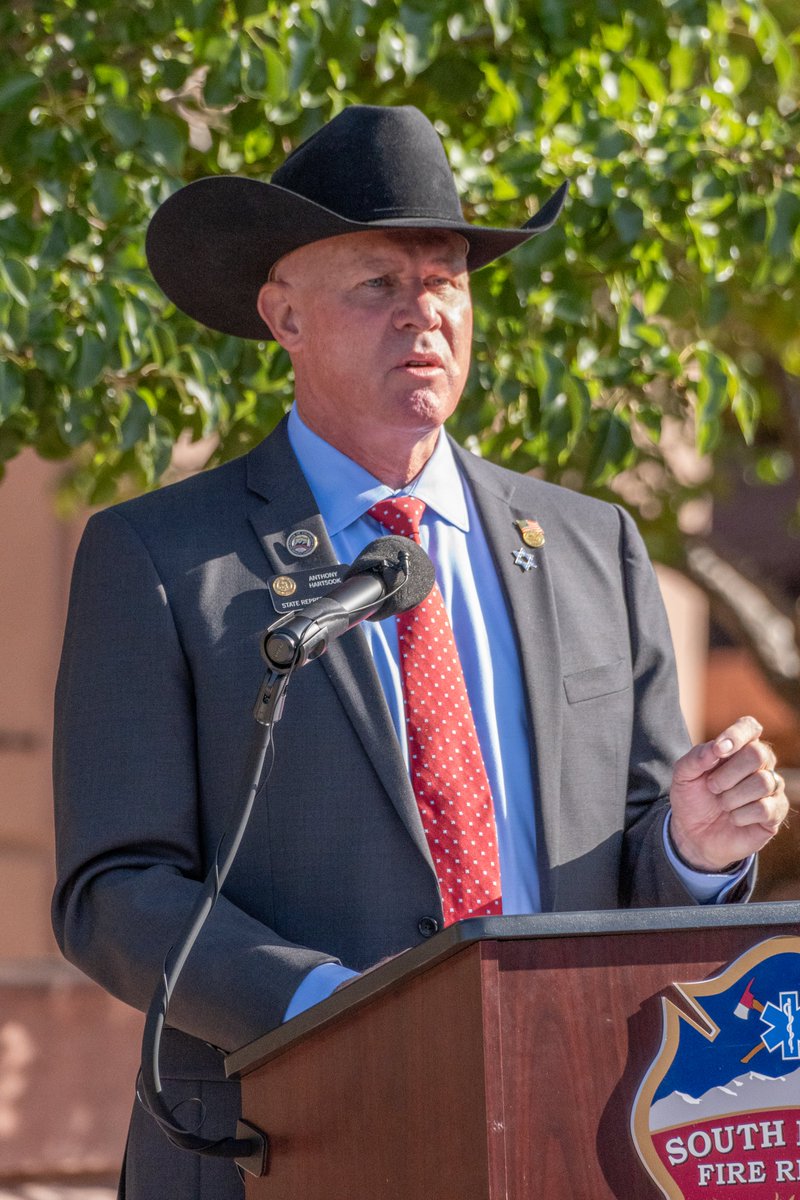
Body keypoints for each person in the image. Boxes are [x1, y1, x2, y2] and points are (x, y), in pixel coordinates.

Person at [52, 105, 787, 1200]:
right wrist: (335, 1009)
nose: (423, 315)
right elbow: (113, 892)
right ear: (283, 316)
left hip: (568, 1134)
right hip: (285, 1140)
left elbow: (637, 860)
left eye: (443, 280)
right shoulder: (164, 558)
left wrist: (695, 847)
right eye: (377, 286)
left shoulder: (592, 547)